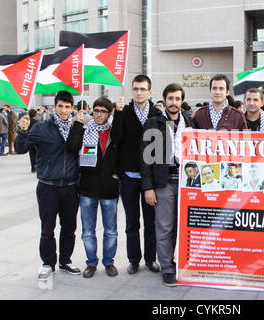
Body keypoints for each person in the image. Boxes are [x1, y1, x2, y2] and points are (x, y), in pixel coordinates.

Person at [15, 90, 81, 280]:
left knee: (69, 228)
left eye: (67, 106)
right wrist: (23, 130)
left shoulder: (78, 127)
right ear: (54, 106)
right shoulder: (41, 128)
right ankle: (47, 263)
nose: (63, 110)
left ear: (72, 108)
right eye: (60, 106)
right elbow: (20, 148)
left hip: (70, 186)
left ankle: (65, 260)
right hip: (48, 186)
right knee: (47, 229)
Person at [140, 83, 194, 286]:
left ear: (181, 101)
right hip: (163, 183)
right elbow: (145, 159)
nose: (174, 103)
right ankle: (167, 268)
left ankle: (177, 261)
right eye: (170, 99)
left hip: (185, 181)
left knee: (181, 227)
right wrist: (148, 187)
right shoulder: (153, 123)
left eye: (177, 99)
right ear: (164, 100)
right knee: (164, 227)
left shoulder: (189, 121)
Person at [111, 74, 161, 275]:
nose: (139, 92)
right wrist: (119, 113)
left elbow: (161, 146)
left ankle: (151, 259)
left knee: (151, 222)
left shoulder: (157, 113)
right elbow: (116, 138)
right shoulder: (125, 110)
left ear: (150, 91)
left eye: (143, 89)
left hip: (150, 178)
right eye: (135, 89)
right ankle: (134, 259)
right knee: (132, 222)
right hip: (129, 177)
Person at [67, 97, 120, 279]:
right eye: (96, 111)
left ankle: (109, 262)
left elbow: (122, 153)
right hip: (88, 188)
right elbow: (72, 147)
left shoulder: (114, 132)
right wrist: (77, 123)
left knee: (110, 229)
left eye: (103, 111)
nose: (98, 115)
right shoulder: (85, 129)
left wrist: (117, 174)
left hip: (109, 188)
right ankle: (91, 263)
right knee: (88, 231)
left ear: (109, 113)